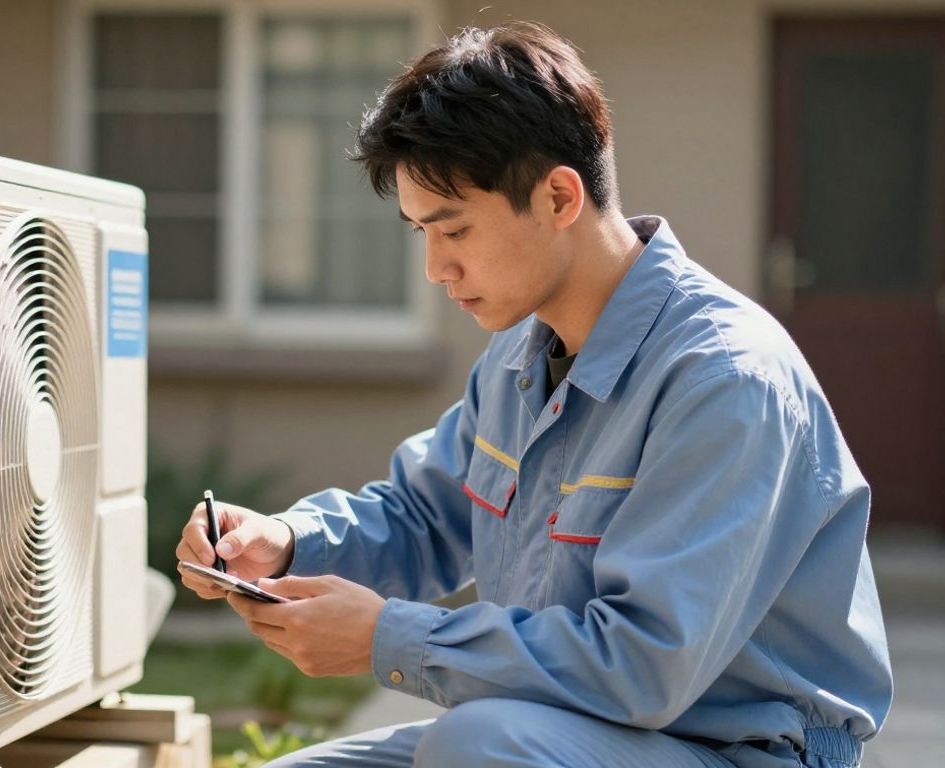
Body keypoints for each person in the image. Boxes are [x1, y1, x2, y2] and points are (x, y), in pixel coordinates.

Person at [174, 21, 891, 768]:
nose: (434, 268)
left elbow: (643, 666)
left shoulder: (726, 380)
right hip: (567, 731)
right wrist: (286, 542)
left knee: (475, 747)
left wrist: (385, 638)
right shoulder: (519, 356)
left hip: (739, 749)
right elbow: (426, 516)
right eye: (420, 232)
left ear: (558, 196)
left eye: (453, 231)